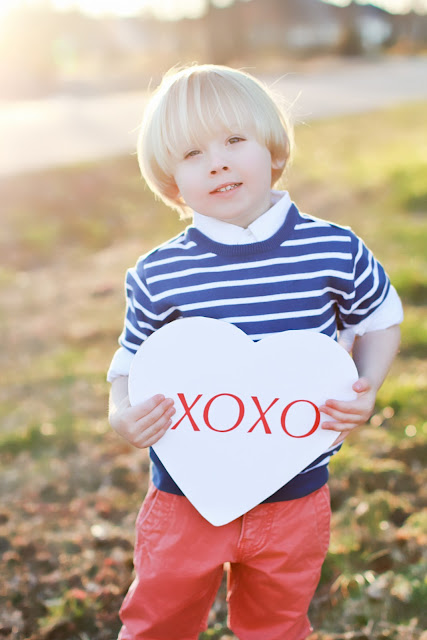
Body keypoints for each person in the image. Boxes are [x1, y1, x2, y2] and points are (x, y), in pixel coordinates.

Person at [107, 64, 403, 640]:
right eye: (192, 153)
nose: (217, 161)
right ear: (171, 182)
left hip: (294, 492)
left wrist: (366, 389)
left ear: (273, 149)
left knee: (278, 624)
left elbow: (380, 317)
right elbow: (127, 367)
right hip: (185, 494)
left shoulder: (333, 249)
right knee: (158, 620)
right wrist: (122, 412)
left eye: (235, 140)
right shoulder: (159, 274)